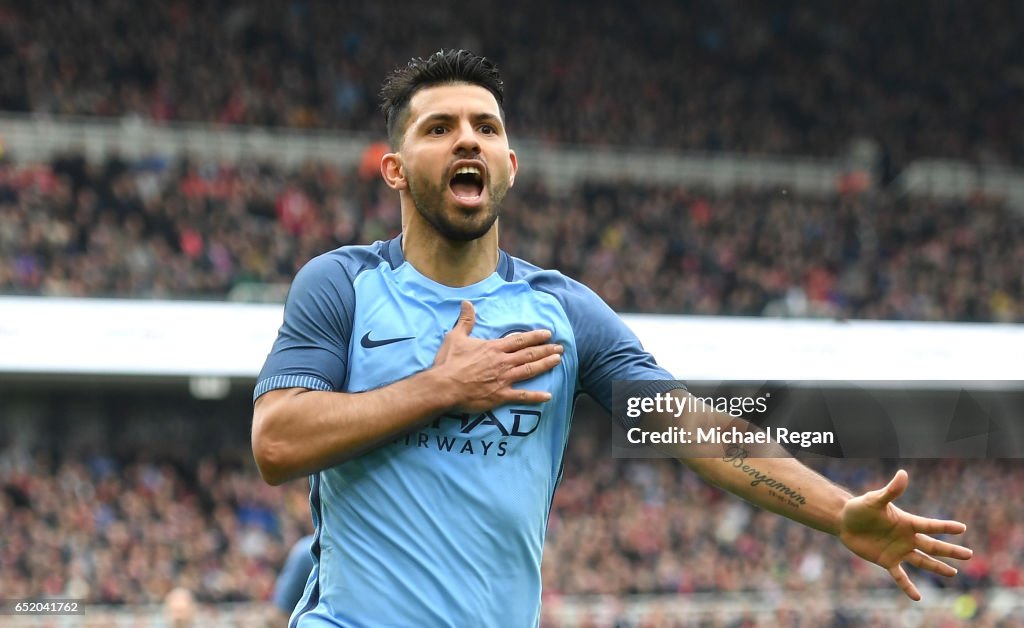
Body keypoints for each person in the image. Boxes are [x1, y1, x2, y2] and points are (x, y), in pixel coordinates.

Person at [251, 49, 972, 626]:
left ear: (509, 166)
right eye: (438, 127)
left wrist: (838, 512)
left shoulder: (563, 311)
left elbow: (696, 431)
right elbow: (277, 442)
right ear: (396, 171)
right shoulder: (343, 284)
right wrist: (443, 387)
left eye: (487, 127)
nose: (467, 137)